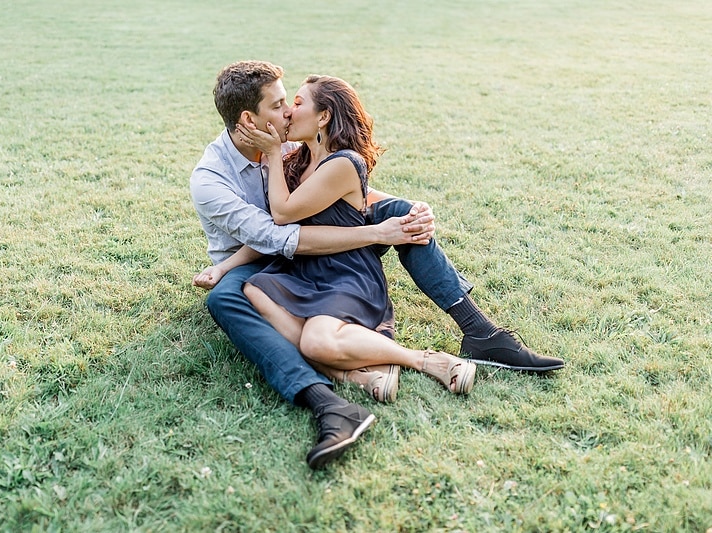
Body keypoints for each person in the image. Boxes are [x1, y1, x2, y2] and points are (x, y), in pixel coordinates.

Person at [189, 60, 564, 468]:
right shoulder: (213, 178)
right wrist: (376, 233)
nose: (289, 112)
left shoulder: (290, 141)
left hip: (320, 253)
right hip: (266, 254)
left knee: (402, 215)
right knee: (231, 296)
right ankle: (338, 390)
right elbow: (278, 235)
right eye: (281, 105)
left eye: (292, 103)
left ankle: (480, 332)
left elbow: (342, 185)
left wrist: (404, 210)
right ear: (249, 118)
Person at [234, 74, 477, 398]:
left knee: (315, 340)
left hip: (344, 271)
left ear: (323, 116)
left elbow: (282, 213)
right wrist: (223, 268)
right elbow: (271, 227)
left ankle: (426, 361)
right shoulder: (299, 160)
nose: (289, 112)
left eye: (297, 103)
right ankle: (357, 373)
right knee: (254, 290)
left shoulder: (345, 163)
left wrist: (273, 154)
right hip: (305, 268)